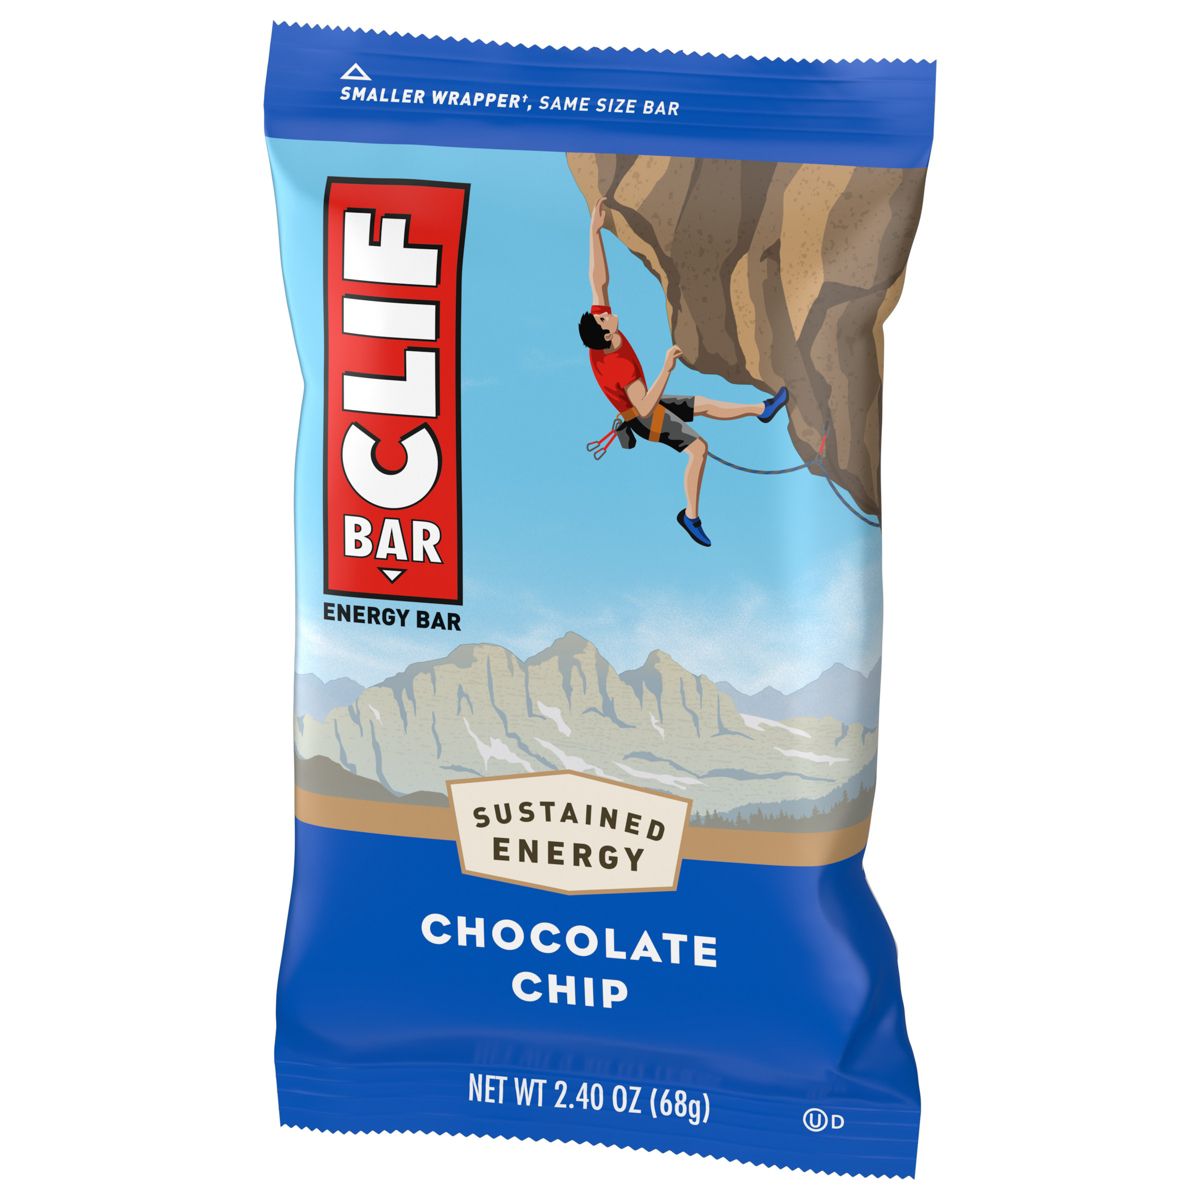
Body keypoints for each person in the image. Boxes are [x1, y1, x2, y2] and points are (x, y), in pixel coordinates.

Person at [578, 198, 788, 547]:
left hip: (641, 405)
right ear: (606, 334)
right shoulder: (619, 367)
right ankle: (690, 516)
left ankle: (762, 410)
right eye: (603, 319)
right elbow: (645, 407)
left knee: (702, 405)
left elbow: (598, 281)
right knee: (698, 449)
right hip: (642, 417)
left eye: (602, 315)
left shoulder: (602, 338)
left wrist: (594, 232)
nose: (606, 313)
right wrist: (666, 368)